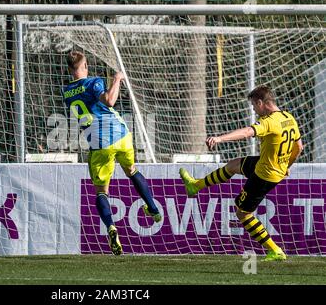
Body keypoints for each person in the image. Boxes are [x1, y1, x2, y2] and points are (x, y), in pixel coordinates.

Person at [179, 85, 303, 261]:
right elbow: (298, 147)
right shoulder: (288, 117)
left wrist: (220, 138)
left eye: (254, 106)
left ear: (261, 102)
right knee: (234, 165)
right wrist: (286, 165)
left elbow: (246, 132)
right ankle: (195, 185)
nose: (254, 110)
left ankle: (275, 250)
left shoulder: (269, 121)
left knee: (242, 213)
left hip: (265, 175)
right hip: (267, 165)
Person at [63, 51, 162, 256]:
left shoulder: (66, 91)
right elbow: (109, 100)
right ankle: (152, 207)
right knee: (132, 170)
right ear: (86, 66)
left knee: (101, 192)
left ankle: (111, 227)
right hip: (120, 135)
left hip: (98, 143)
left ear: (69, 69)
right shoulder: (93, 82)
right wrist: (116, 79)